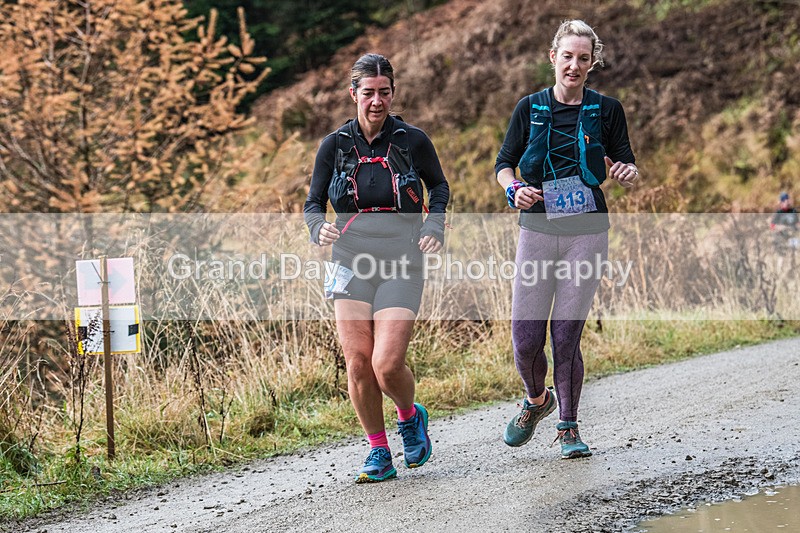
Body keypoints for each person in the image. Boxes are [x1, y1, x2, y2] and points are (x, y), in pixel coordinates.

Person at [494, 20, 639, 458]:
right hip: (537, 230)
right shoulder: (529, 107)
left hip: (587, 233)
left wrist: (626, 172)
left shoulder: (607, 109)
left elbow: (626, 163)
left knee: (565, 337)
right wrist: (513, 189)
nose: (574, 65)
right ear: (552, 57)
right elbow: (504, 164)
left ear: (593, 62)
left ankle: (569, 427)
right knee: (525, 341)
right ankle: (537, 401)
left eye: (583, 58)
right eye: (568, 56)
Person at [304, 53, 449, 482]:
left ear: (392, 93)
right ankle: (379, 451)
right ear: (353, 94)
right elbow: (314, 203)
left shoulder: (412, 140)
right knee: (357, 362)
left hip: (403, 259)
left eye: (384, 92)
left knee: (386, 364)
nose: (376, 101)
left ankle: (409, 415)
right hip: (349, 260)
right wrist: (318, 229)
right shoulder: (334, 145)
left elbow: (438, 186)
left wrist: (434, 225)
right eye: (368, 93)